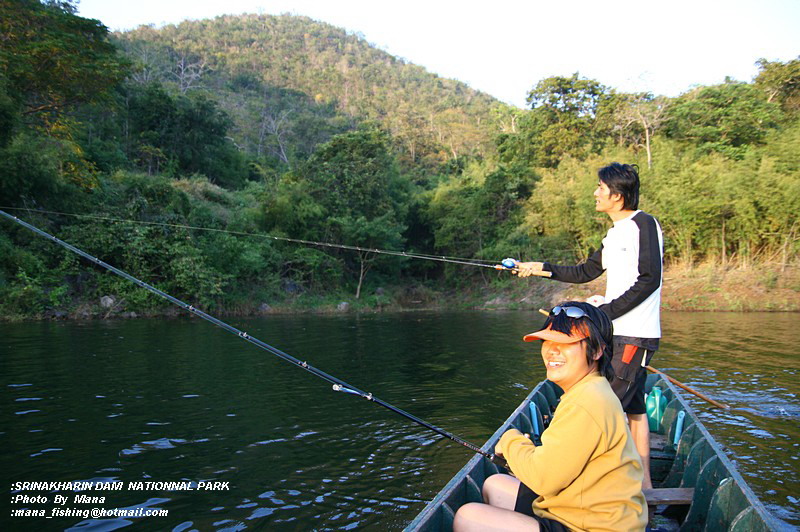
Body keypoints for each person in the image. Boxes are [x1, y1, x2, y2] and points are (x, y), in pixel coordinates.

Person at [511, 162, 663, 489]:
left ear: (618, 196)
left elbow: (649, 279)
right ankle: (646, 485)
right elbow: (584, 272)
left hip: (634, 332)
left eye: (600, 188)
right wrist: (538, 268)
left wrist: (604, 311)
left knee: (600, 410)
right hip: (616, 332)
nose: (595, 193)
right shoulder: (614, 234)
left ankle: (573, 480)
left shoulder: (644, 225)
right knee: (634, 409)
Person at [453, 302, 647, 532]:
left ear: (596, 351)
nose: (552, 350)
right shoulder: (591, 389)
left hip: (597, 526)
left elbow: (542, 478)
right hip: (581, 510)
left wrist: (510, 440)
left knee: (468, 517)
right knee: (494, 485)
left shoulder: (586, 402)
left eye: (566, 343)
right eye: (548, 341)